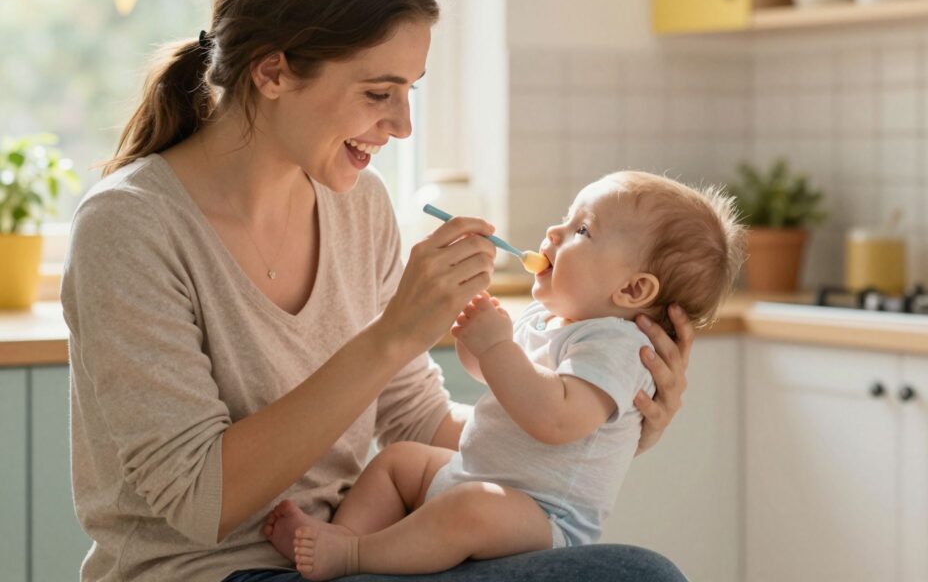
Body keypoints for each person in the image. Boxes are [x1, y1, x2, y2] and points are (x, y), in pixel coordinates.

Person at [60, 0, 696, 582]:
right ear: (273, 71)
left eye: (409, 92)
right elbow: (200, 501)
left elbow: (415, 419)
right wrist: (392, 335)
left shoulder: (357, 204)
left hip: (338, 550)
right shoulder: (130, 227)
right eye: (378, 93)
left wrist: (591, 423)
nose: (402, 125)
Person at [260, 171, 745, 579]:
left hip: (538, 513)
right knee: (399, 462)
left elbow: (553, 419)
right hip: (475, 474)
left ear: (634, 288)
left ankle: (354, 557)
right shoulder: (547, 320)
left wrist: (496, 346)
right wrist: (480, 346)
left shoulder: (618, 346)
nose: (554, 233)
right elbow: (499, 380)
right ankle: (344, 538)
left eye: (582, 230)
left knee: (467, 510)